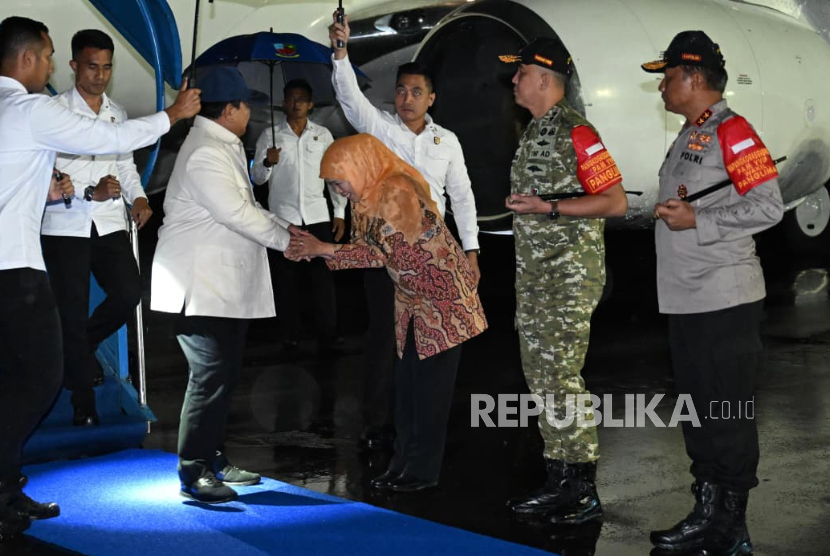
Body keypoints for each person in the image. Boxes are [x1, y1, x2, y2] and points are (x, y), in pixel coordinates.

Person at [0, 15, 199, 539]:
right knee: (39, 377)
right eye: (46, 56)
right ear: (27, 58)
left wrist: (44, 191)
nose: (48, 67)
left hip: (19, 259)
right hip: (15, 266)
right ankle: (1, 489)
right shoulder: (32, 108)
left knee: (19, 375)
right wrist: (172, 114)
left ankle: (6, 487)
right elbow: (106, 137)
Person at [642, 31, 783, 555]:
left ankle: (730, 527)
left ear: (694, 77)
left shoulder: (733, 131)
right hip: (687, 298)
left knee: (726, 413)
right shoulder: (691, 132)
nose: (662, 87)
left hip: (724, 298)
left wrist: (698, 220)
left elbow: (768, 206)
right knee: (700, 413)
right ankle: (706, 513)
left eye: (668, 77)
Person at [287, 134, 487, 493]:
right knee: (406, 390)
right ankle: (402, 465)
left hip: (442, 304)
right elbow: (369, 250)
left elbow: (390, 255)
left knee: (429, 394)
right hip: (412, 303)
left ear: (359, 168)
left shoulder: (396, 190)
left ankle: (422, 471)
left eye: (340, 182)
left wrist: (324, 249)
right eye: (333, 185)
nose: (339, 191)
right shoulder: (366, 197)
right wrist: (318, 250)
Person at [329, 12, 480, 450]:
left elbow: (463, 197)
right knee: (384, 339)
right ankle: (378, 426)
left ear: (431, 98)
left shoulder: (447, 141)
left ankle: (418, 425)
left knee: (427, 339)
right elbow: (350, 99)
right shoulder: (379, 130)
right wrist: (341, 52)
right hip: (385, 254)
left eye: (416, 92)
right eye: (401, 90)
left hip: (433, 256)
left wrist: (471, 251)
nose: (407, 99)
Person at [150, 66, 294, 504]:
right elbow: (237, 213)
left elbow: (248, 207)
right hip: (199, 288)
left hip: (221, 288)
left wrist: (290, 230)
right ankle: (194, 470)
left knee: (225, 376)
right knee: (209, 376)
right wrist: (291, 242)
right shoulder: (205, 153)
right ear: (229, 109)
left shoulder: (222, 146)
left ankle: (213, 457)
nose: (250, 112)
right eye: (246, 105)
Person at [500, 38, 628, 525]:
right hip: (536, 279)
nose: (514, 80)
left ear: (544, 78)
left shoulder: (579, 131)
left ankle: (581, 489)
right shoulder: (535, 130)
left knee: (561, 379)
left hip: (568, 276)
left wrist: (548, 207)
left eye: (521, 72)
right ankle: (560, 479)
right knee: (543, 380)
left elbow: (614, 201)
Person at [41, 29, 151, 427]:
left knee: (128, 292)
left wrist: (138, 198)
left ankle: (81, 347)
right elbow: (44, 172)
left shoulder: (116, 113)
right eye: (92, 67)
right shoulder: (52, 112)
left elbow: (125, 166)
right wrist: (91, 190)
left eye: (106, 67)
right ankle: (82, 400)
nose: (100, 75)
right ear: (73, 66)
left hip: (107, 223)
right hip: (64, 224)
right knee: (70, 310)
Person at [251, 79, 345, 354]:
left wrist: (339, 212)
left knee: (322, 280)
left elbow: (334, 176)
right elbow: (257, 179)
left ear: (311, 104)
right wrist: (267, 162)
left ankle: (328, 335)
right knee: (286, 280)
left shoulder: (323, 135)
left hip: (317, 216)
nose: (296, 103)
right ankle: (289, 336)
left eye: (301, 98)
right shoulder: (270, 135)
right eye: (291, 98)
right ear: (283, 103)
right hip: (284, 218)